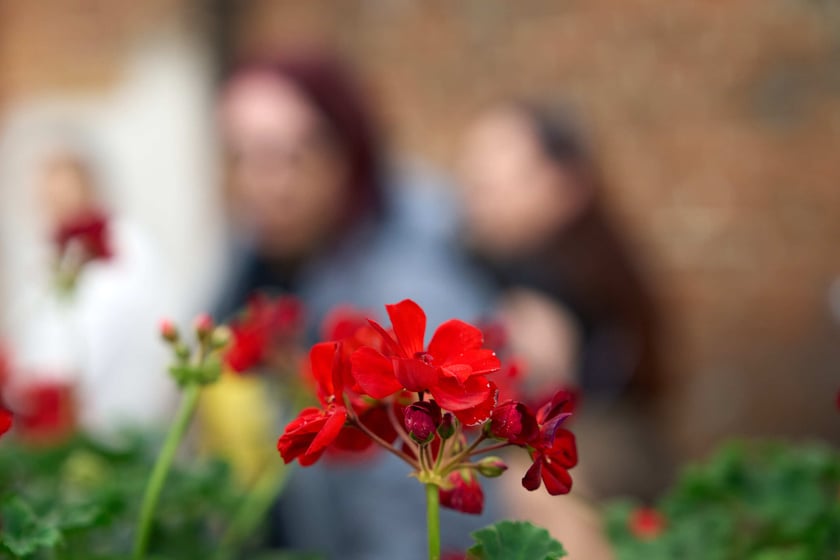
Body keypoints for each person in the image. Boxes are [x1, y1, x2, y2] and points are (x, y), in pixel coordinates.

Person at [214, 51, 498, 559]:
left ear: (343, 153)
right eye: (239, 158)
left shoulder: (407, 284)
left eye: (284, 156)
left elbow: (404, 511)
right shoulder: (255, 258)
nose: (260, 182)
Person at [456, 102, 670, 554]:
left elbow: (542, 380)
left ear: (567, 184)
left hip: (596, 456)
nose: (477, 196)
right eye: (474, 182)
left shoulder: (546, 282)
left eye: (497, 183)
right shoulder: (591, 255)